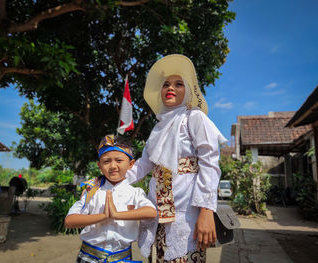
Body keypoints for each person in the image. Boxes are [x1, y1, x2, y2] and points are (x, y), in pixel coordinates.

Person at [124, 54, 227, 262]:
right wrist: (113, 180)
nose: (170, 88)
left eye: (178, 84)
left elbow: (210, 163)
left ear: (187, 91)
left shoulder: (194, 118)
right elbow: (144, 164)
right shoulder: (157, 128)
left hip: (187, 215)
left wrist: (207, 211)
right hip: (157, 213)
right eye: (165, 84)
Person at [65, 135, 157, 263]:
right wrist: (104, 216)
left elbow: (151, 212)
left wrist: (117, 215)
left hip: (122, 258)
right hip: (88, 257)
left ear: (131, 164)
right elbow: (69, 221)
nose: (113, 166)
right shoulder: (92, 191)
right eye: (106, 161)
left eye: (119, 160)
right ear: (99, 166)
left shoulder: (135, 193)